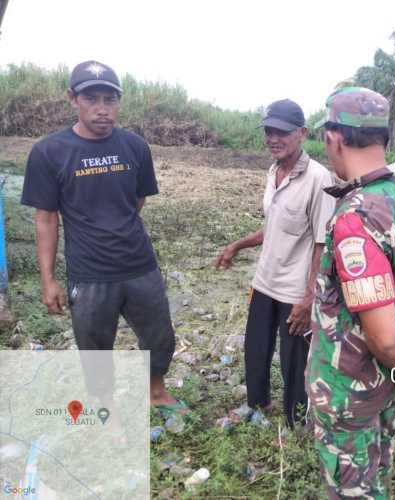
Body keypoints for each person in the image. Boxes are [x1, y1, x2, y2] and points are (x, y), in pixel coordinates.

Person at [20, 60, 184, 414]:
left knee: (159, 335)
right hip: (88, 272)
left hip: (139, 264)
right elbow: (46, 218)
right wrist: (48, 279)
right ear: (72, 99)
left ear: (119, 102)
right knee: (94, 343)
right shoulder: (49, 152)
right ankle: (104, 403)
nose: (101, 108)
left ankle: (155, 390)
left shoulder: (135, 147)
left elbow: (137, 200)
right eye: (91, 98)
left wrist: (115, 228)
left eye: (109, 100)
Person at [306, 87, 395, 499]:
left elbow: (381, 334)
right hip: (381, 383)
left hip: (350, 390)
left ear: (334, 138)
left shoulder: (356, 219)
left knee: (353, 489)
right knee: (376, 472)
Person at [215, 99, 335, 426]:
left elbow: (323, 243)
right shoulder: (273, 171)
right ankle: (257, 404)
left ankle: (295, 421)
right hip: (265, 281)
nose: (273, 138)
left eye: (281, 131)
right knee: (255, 349)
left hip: (294, 289)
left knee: (293, 360)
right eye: (269, 131)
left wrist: (309, 296)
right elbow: (273, 226)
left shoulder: (318, 179)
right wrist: (238, 245)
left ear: (302, 133)